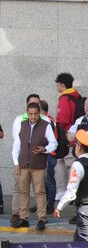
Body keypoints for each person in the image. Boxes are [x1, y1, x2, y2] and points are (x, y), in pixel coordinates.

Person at [12, 102, 57, 230]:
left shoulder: (46, 125)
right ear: (27, 114)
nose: (33, 116)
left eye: (35, 114)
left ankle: (41, 218)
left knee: (40, 192)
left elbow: (54, 144)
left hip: (39, 165)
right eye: (30, 114)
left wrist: (44, 149)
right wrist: (16, 163)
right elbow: (17, 145)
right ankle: (23, 218)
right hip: (23, 164)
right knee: (23, 192)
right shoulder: (21, 124)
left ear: (39, 113)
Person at [9, 94, 42, 223]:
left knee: (39, 189)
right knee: (20, 188)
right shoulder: (19, 119)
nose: (35, 105)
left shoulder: (44, 120)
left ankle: (41, 217)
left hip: (38, 161)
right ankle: (17, 213)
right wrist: (17, 162)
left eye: (37, 103)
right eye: (32, 103)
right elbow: (17, 141)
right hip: (22, 160)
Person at [54, 73, 81, 202]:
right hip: (76, 136)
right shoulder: (76, 96)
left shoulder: (65, 98)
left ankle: (65, 191)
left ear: (62, 84)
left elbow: (63, 119)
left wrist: (64, 134)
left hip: (66, 137)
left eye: (57, 84)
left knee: (62, 162)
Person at [39, 100, 60, 216]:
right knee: (44, 181)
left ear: (41, 109)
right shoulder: (48, 119)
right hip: (46, 153)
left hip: (49, 154)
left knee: (49, 180)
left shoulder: (48, 120)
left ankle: (50, 205)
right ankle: (44, 203)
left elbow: (50, 138)